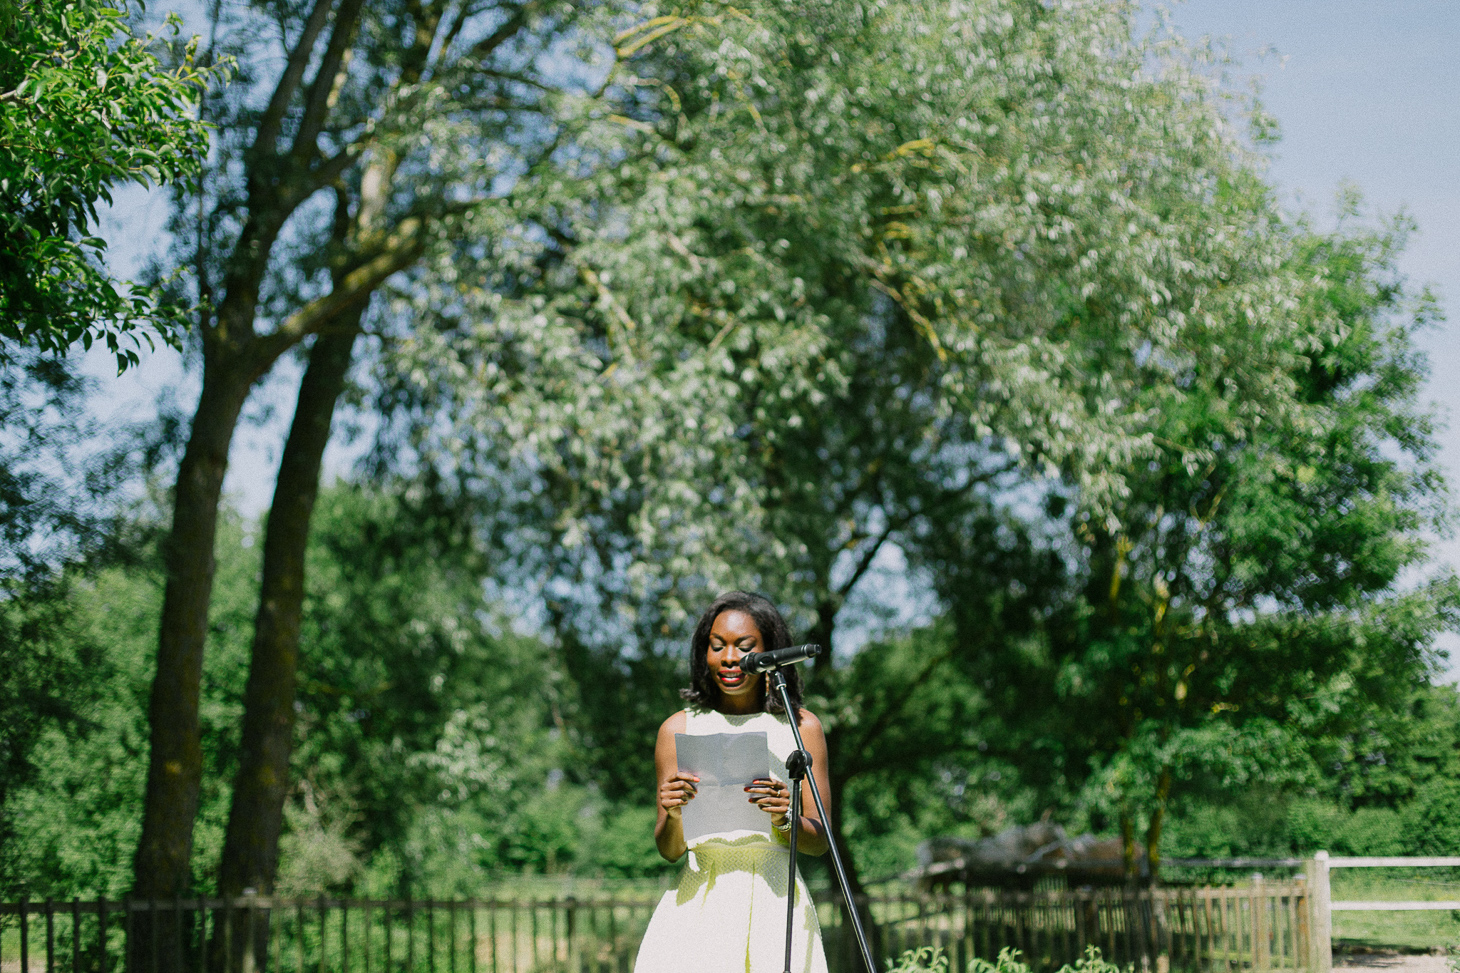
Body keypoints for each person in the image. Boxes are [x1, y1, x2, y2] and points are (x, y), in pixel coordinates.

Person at [633, 591, 833, 973]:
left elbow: (820, 841)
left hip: (775, 901)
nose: (728, 658)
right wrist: (674, 814)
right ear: (703, 653)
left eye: (744, 646)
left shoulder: (802, 727)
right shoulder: (677, 727)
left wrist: (784, 818)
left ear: (770, 651)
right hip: (699, 901)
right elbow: (669, 849)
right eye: (716, 645)